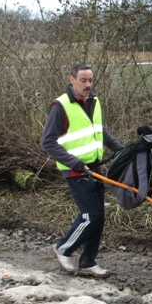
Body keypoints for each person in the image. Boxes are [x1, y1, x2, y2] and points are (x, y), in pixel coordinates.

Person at [41, 64, 125, 277]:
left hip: (95, 167)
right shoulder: (60, 106)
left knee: (99, 217)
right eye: (83, 80)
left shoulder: (94, 101)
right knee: (90, 215)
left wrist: (122, 150)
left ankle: (88, 260)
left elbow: (100, 131)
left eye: (90, 80)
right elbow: (48, 142)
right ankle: (63, 248)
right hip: (76, 170)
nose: (88, 84)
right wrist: (74, 163)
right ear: (72, 80)